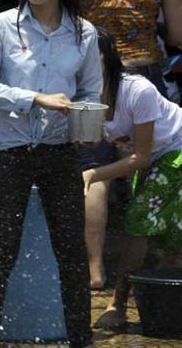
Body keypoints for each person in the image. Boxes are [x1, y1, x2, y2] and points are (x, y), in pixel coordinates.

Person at [0, 0, 102, 348]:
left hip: (59, 151)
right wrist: (34, 99)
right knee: (1, 249)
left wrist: (85, 118)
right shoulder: (1, 26)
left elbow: (91, 92)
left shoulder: (83, 33)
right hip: (8, 149)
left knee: (71, 251)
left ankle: (82, 338)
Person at [83, 27, 182, 330]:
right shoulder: (83, 94)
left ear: (108, 57)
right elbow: (89, 143)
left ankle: (117, 305)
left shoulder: (138, 90)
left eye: (91, 55)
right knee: (168, 239)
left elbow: (142, 157)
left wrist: (93, 174)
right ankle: (165, 308)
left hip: (175, 151)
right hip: (151, 159)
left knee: (138, 220)